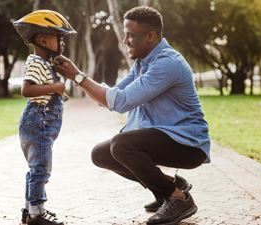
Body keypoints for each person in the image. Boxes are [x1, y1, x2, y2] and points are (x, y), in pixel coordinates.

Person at [53, 6, 211, 225]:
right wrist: (75, 77)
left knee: (121, 145)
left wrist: (78, 76)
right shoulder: (141, 63)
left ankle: (178, 198)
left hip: (187, 144)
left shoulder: (167, 63)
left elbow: (119, 102)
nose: (125, 41)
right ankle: (170, 186)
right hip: (164, 137)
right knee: (100, 154)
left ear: (151, 36)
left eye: (130, 35)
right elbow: (111, 96)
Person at [13, 9, 76, 225]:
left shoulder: (45, 63)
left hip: (40, 123)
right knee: (41, 170)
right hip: (37, 122)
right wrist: (56, 86)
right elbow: (26, 90)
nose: (63, 43)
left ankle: (29, 209)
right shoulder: (35, 62)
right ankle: (37, 214)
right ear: (43, 39)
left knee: (35, 170)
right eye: (59, 38)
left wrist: (58, 85)